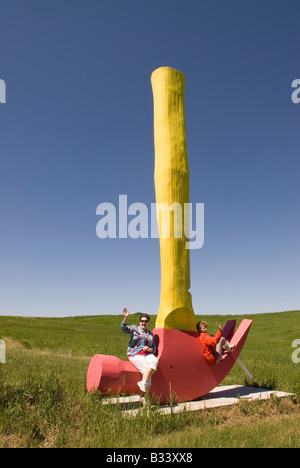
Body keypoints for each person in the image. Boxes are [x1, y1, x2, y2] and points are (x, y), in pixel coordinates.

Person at [121, 308, 159, 394]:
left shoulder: (150, 334)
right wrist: (126, 317)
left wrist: (149, 349)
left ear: (148, 323)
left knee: (155, 361)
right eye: (142, 321)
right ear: (139, 322)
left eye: (145, 321)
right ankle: (146, 397)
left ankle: (143, 383)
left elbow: (154, 347)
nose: (143, 323)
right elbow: (123, 328)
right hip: (135, 353)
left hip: (147, 354)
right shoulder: (135, 329)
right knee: (146, 371)